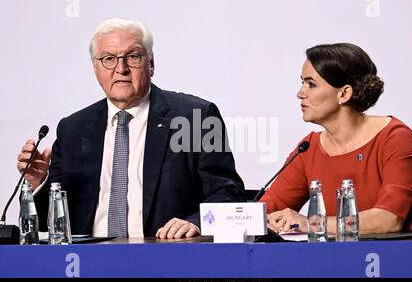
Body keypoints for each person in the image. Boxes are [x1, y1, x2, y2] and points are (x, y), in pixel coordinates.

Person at [16, 18, 246, 239]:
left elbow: (228, 193)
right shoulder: (72, 129)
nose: (121, 68)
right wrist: (39, 182)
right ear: (95, 68)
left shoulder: (196, 117)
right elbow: (54, 222)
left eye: (133, 56)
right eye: (108, 59)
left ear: (152, 64)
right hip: (89, 261)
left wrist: (196, 222)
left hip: (166, 256)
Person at [261, 43, 412, 235]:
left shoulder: (395, 138)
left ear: (344, 93)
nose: (300, 93)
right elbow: (264, 211)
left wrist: (311, 224)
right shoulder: (309, 147)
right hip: (344, 258)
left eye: (311, 84)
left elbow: (389, 221)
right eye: (302, 83)